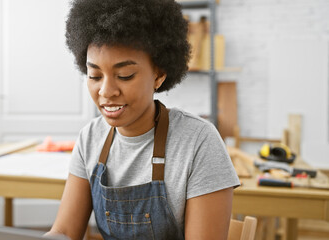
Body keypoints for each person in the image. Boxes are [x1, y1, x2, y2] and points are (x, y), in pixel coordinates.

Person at [47, 0, 240, 239]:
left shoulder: (198, 142)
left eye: (125, 75)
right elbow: (64, 231)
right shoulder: (90, 138)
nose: (106, 91)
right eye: (94, 75)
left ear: (158, 74)